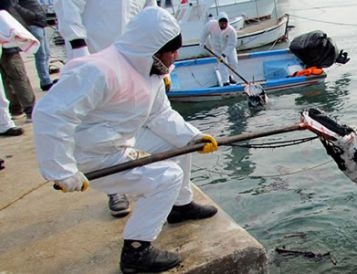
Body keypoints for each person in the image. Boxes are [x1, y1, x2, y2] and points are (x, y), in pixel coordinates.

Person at [32, 7, 219, 273]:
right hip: (90, 156)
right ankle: (136, 252)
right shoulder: (98, 70)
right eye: (171, 50)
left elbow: (160, 114)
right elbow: (52, 114)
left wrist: (194, 137)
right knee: (167, 176)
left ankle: (180, 206)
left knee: (180, 146)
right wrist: (61, 170)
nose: (175, 56)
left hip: (117, 143)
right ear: (152, 49)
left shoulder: (150, 71)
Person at [54, 0, 157, 216]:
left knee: (145, 117)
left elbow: (151, 10)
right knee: (103, 128)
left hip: (136, 56)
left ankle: (175, 198)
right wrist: (80, 50)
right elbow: (68, 6)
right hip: (97, 53)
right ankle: (114, 190)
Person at [54, 0, 157, 59]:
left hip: (131, 58)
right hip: (92, 54)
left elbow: (151, 15)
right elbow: (68, 12)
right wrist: (81, 52)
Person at [0, 0, 37, 119]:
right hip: (7, 40)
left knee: (16, 74)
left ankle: (29, 109)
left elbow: (7, 8)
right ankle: (17, 108)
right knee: (8, 77)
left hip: (7, 40)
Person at [18, 0, 55, 91]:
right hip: (34, 24)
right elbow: (16, 7)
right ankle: (45, 81)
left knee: (46, 53)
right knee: (41, 55)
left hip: (40, 23)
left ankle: (46, 79)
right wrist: (33, 16)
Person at [199, 11, 238, 86]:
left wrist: (225, 53)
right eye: (221, 23)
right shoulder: (211, 25)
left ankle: (230, 76)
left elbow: (232, 44)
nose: (223, 25)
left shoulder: (231, 31)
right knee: (222, 63)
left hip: (229, 49)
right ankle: (225, 81)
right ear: (218, 22)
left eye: (225, 23)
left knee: (234, 63)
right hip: (217, 49)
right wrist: (202, 42)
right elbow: (204, 33)